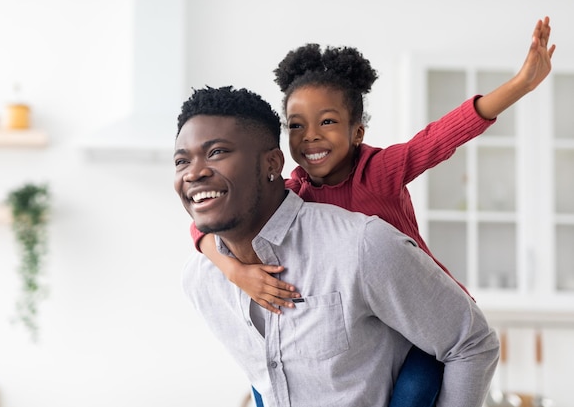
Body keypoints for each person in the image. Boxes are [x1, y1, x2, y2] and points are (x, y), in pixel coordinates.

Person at [189, 17, 555, 406]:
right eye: (296, 125)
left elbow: (444, 134)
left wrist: (521, 84)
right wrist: (235, 271)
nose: (310, 135)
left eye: (327, 121)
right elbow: (209, 225)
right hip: (364, 325)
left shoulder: (380, 171)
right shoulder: (295, 191)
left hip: (418, 322)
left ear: (357, 132)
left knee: (415, 389)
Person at [174, 85, 500, 407]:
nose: (194, 173)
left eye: (217, 152)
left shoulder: (363, 244)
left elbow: (472, 344)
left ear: (272, 164)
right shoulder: (202, 279)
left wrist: (521, 83)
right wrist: (232, 270)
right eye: (181, 161)